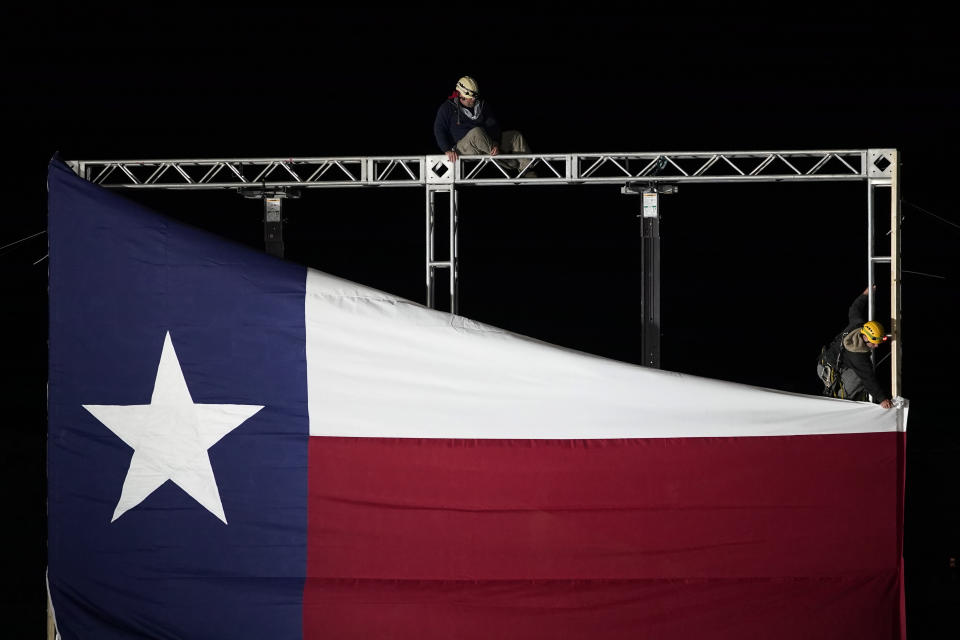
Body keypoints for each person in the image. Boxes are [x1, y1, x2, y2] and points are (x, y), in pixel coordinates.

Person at [433, 76, 534, 175]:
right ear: (461, 96)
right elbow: (439, 129)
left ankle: (527, 170)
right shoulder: (447, 108)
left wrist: (495, 143)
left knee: (515, 136)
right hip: (464, 147)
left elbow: (493, 126)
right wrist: (446, 149)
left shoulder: (482, 105)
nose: (473, 100)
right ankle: (510, 163)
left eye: (475, 97)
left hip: (486, 142)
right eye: (470, 98)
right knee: (476, 132)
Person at [818, 287, 894, 408]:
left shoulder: (857, 324)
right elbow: (868, 378)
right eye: (873, 343)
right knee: (860, 378)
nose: (876, 346)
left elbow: (855, 309)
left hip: (838, 363)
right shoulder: (858, 356)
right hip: (827, 369)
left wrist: (865, 294)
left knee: (860, 374)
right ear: (865, 337)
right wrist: (882, 399)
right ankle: (840, 401)